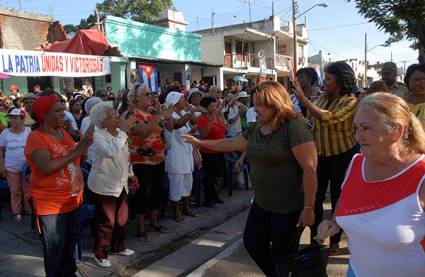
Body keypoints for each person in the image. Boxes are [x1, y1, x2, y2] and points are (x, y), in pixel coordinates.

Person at [183, 81, 317, 277]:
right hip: (262, 202)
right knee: (253, 242)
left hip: (288, 207)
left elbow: (310, 169)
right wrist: (201, 142)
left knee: (283, 253)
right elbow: (231, 143)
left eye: (260, 105)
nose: (255, 109)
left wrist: (309, 207)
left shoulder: (294, 129)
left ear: (275, 104)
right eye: (255, 104)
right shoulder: (256, 129)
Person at [317, 93, 425, 277]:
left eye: (367, 128)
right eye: (356, 128)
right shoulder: (356, 164)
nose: (358, 137)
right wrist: (333, 222)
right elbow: (345, 201)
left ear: (397, 131)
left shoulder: (421, 174)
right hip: (356, 272)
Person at [293, 61, 359, 255]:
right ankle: (316, 239)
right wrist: (299, 118)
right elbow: (314, 123)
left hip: (343, 155)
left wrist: (304, 100)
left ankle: (335, 240)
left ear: (340, 81)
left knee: (339, 198)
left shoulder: (351, 100)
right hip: (320, 155)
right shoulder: (321, 98)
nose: (325, 83)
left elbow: (329, 117)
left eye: (328, 79)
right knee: (315, 197)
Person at [24, 95, 93, 277]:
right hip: (51, 205)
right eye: (58, 110)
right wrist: (78, 150)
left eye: (63, 109)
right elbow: (46, 167)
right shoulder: (36, 137)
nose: (63, 113)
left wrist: (83, 148)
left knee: (69, 246)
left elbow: (74, 160)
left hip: (73, 200)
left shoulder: (63, 132)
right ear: (44, 115)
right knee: (55, 251)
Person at [88, 101, 137, 268]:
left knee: (121, 219)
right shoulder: (97, 135)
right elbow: (111, 152)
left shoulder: (118, 133)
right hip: (104, 184)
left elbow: (125, 155)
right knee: (106, 221)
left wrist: (131, 174)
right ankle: (100, 253)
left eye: (116, 114)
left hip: (120, 183)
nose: (117, 117)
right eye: (112, 115)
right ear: (103, 121)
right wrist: (123, 132)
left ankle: (118, 246)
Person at [124, 84, 173, 241]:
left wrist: (167, 115)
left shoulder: (153, 112)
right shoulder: (131, 114)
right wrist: (159, 116)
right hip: (141, 161)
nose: (151, 96)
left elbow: (170, 128)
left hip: (158, 158)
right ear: (136, 97)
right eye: (147, 94)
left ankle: (154, 221)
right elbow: (143, 132)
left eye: (151, 94)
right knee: (142, 194)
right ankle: (140, 227)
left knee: (157, 191)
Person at [164, 91, 198, 222]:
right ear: (175, 102)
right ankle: (176, 211)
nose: (185, 102)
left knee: (187, 183)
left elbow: (184, 132)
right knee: (176, 185)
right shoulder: (169, 115)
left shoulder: (183, 113)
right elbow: (176, 126)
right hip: (176, 154)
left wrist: (192, 130)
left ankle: (186, 208)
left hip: (186, 153)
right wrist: (190, 113)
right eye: (182, 100)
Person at [0, 108, 31, 221]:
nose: (13, 120)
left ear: (22, 119)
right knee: (15, 191)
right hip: (11, 167)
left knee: (27, 189)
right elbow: (1, 151)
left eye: (15, 117)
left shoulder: (28, 131)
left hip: (26, 167)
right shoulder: (5, 133)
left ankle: (28, 208)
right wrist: (1, 166)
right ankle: (16, 212)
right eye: (11, 117)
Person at [197, 96, 226, 207]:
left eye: (215, 105)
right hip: (209, 151)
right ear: (205, 107)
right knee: (209, 176)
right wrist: (212, 119)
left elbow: (224, 128)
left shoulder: (218, 116)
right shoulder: (202, 119)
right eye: (211, 106)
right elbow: (204, 134)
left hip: (219, 149)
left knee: (217, 175)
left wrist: (221, 115)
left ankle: (215, 196)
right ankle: (208, 199)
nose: (214, 108)